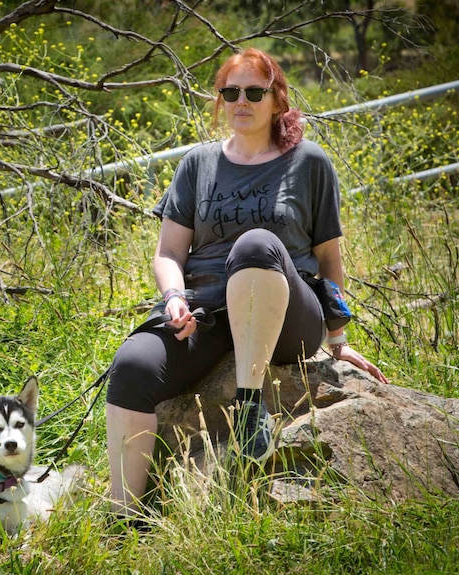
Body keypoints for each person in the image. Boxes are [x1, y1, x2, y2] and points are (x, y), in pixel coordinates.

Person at [105, 47, 389, 521]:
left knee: (256, 244)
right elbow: (169, 253)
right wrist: (174, 297)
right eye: (230, 91)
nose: (242, 100)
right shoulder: (198, 163)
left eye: (254, 91)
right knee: (132, 366)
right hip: (208, 311)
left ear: (277, 100)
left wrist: (338, 341)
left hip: (286, 314)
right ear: (219, 99)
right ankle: (123, 516)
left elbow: (329, 258)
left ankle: (250, 408)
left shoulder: (309, 162)